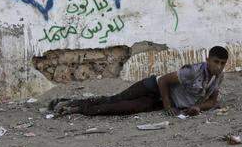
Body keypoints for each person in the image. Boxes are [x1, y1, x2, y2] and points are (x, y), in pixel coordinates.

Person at [52, 46, 229, 117]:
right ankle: (70, 104)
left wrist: (198, 107)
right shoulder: (193, 71)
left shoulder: (218, 77)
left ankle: (74, 110)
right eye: (216, 62)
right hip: (154, 87)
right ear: (208, 60)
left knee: (123, 109)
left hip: (161, 101)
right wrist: (168, 107)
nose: (218, 66)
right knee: (116, 99)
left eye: (222, 63)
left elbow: (212, 100)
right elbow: (164, 81)